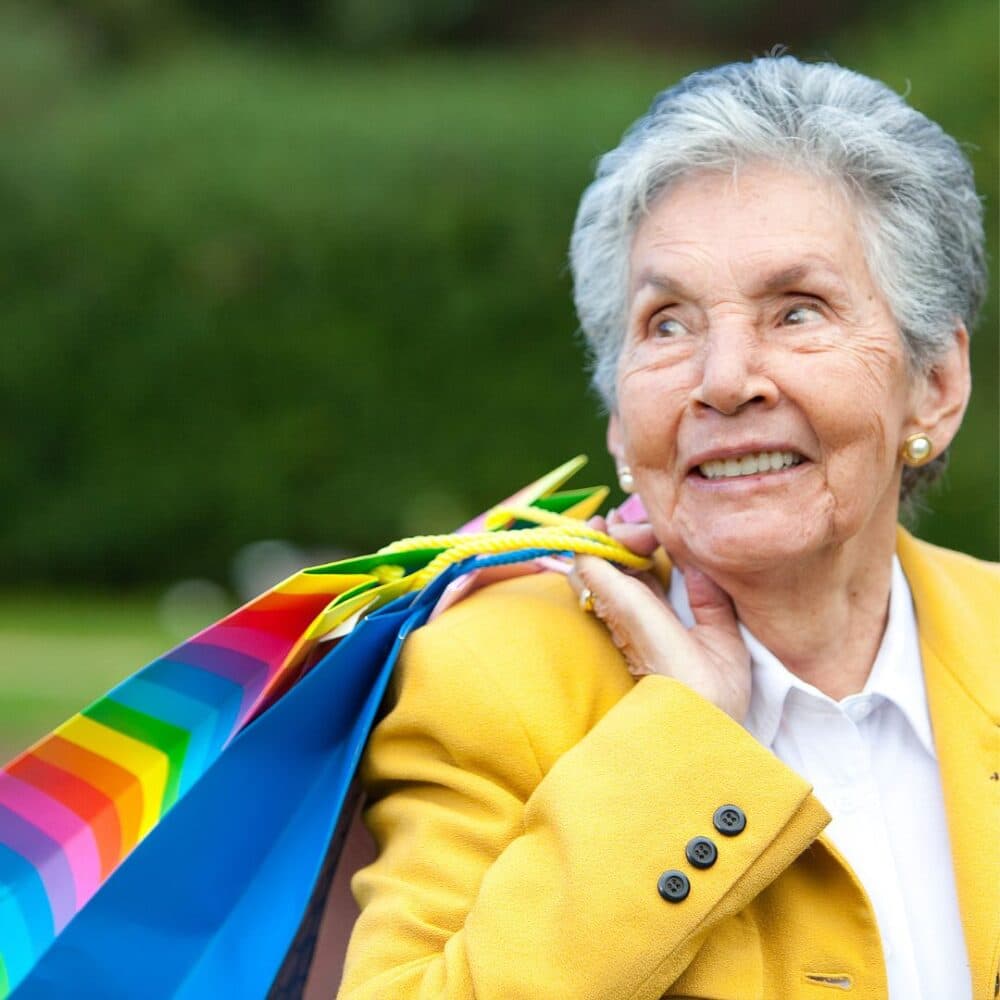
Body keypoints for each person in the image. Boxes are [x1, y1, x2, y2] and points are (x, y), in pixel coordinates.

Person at [336, 56, 998, 999]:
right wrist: (682, 741)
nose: (724, 379)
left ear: (934, 382)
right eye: (668, 324)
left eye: (796, 310)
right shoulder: (492, 674)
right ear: (617, 417)